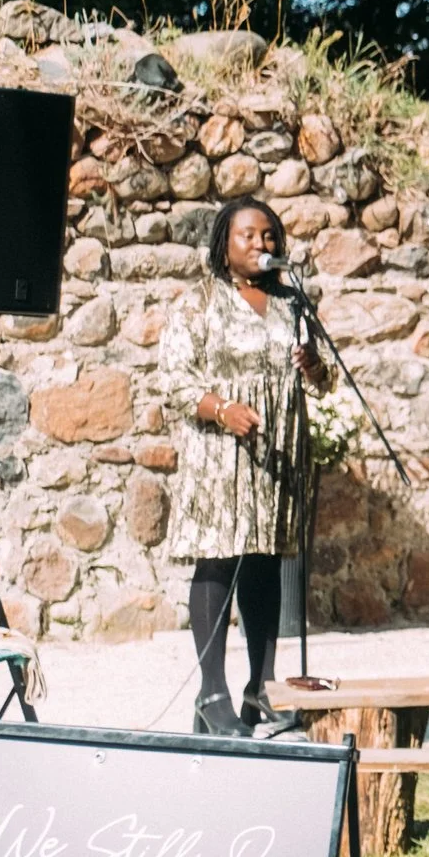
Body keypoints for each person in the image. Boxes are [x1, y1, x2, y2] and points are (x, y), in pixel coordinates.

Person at [162, 197, 333, 733]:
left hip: (276, 455)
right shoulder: (199, 303)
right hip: (220, 452)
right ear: (223, 244)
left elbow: (323, 383)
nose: (262, 244)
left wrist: (314, 366)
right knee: (218, 559)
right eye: (249, 236)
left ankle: (262, 690)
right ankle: (211, 697)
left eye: (269, 236)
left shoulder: (291, 302)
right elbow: (173, 379)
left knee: (264, 561)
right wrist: (222, 410)